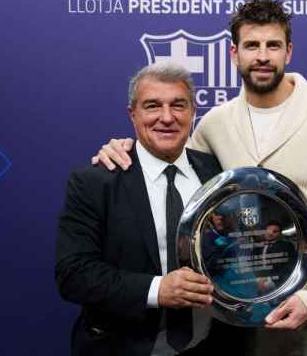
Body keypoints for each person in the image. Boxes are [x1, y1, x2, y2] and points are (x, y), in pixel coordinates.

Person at [91, 0, 307, 355]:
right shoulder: (214, 124)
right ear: (233, 54)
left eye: (272, 45)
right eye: (251, 45)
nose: (262, 56)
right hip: (237, 316)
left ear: (288, 52)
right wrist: (122, 147)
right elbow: (173, 166)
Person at [55, 62, 243, 355]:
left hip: (211, 346)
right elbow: (73, 275)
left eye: (178, 105)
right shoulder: (95, 180)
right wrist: (157, 290)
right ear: (133, 115)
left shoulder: (218, 174)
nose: (166, 117)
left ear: (193, 112)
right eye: (153, 106)